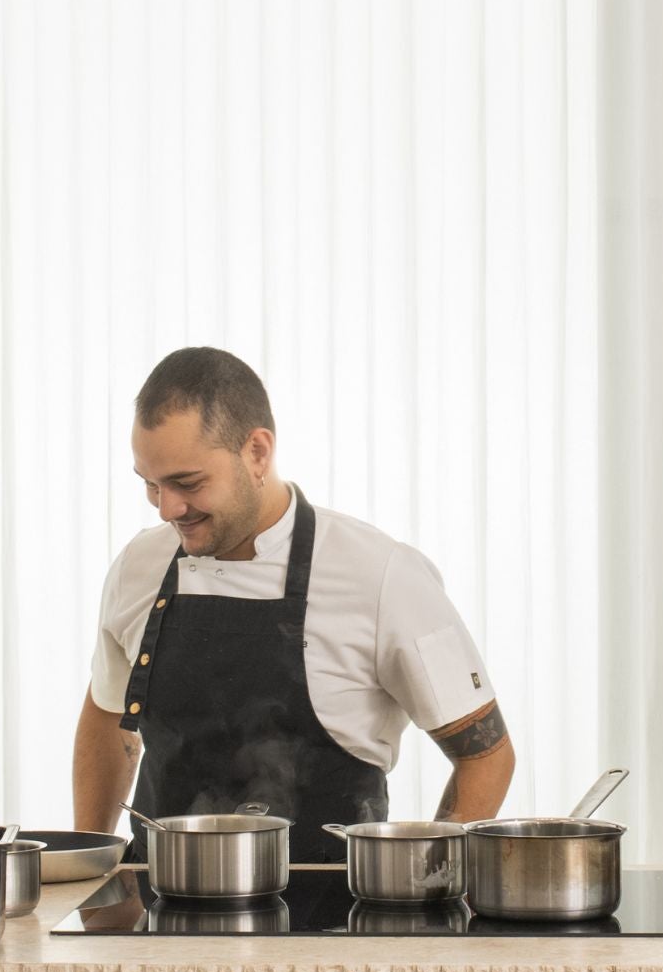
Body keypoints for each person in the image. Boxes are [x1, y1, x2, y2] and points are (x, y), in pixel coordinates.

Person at [72, 347, 516, 864]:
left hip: (331, 908)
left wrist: (426, 880)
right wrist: (90, 868)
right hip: (159, 904)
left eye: (187, 483)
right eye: (151, 484)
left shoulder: (382, 575)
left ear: (257, 452)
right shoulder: (138, 566)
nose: (168, 508)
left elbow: (486, 755)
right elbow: (107, 715)